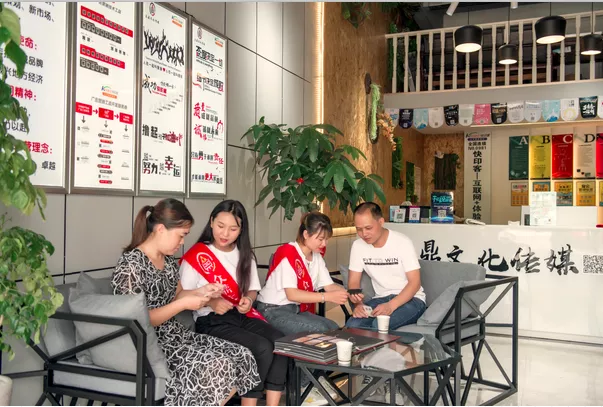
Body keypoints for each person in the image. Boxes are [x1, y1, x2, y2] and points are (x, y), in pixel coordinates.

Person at [111, 198, 260, 406]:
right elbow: (137, 321)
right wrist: (182, 305)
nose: (182, 243)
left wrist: (203, 291)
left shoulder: (168, 262)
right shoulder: (131, 265)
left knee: (242, 356)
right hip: (147, 344)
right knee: (218, 365)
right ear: (161, 229)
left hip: (174, 335)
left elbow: (179, 294)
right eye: (181, 235)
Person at [179, 200, 287, 407]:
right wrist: (211, 303)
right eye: (221, 226)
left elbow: (252, 290)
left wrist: (248, 300)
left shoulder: (245, 255)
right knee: (262, 347)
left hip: (239, 316)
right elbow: (182, 295)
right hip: (211, 321)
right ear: (211, 222)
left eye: (233, 229)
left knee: (280, 342)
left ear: (241, 230)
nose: (225, 233)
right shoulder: (197, 255)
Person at [257, 211, 348, 335]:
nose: (324, 244)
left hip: (295, 310)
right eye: (320, 239)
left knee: (334, 327)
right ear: (306, 234)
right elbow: (292, 294)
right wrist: (327, 297)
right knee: (322, 330)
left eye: (327, 239)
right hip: (272, 310)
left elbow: (329, 286)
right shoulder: (288, 253)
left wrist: (348, 293)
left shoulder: (316, 257)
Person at [345, 202, 426, 331]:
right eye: (359, 229)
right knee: (352, 325)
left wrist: (391, 306)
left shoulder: (402, 242)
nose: (364, 233)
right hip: (380, 299)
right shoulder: (358, 246)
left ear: (381, 222)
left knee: (379, 325)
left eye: (368, 228)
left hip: (412, 300)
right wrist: (358, 304)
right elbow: (353, 282)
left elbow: (415, 283)